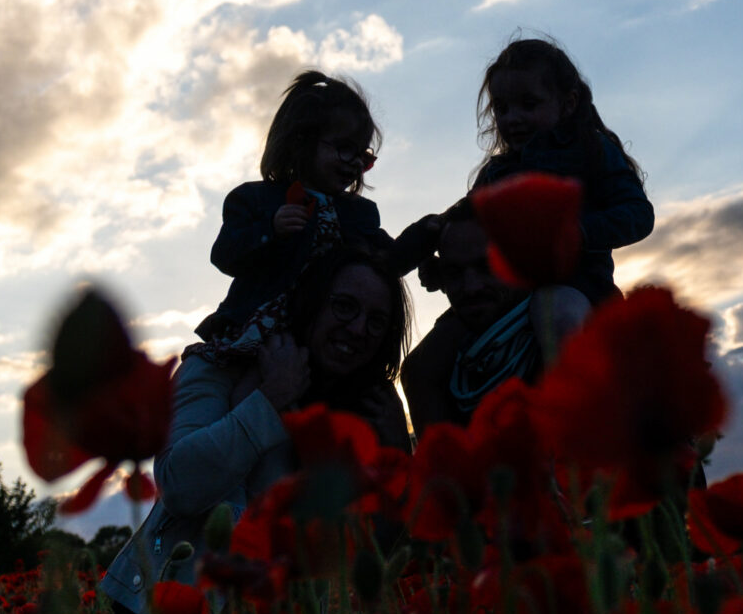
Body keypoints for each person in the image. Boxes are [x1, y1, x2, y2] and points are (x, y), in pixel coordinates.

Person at [100, 247, 409, 614]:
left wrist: (399, 456)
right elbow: (180, 486)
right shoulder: (218, 366)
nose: (359, 329)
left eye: (377, 321)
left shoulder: (365, 416)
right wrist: (270, 399)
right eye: (344, 306)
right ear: (310, 303)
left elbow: (370, 555)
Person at [398, 37, 653, 304]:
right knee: (441, 343)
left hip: (579, 290)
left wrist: (578, 233)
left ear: (568, 103)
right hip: (503, 300)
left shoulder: (592, 152)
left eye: (528, 105)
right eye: (502, 108)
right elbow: (471, 232)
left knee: (561, 311)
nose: (511, 118)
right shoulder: (496, 173)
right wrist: (447, 264)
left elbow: (638, 213)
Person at [198, 71, 393, 349]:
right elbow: (224, 255)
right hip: (249, 331)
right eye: (345, 148)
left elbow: (388, 260)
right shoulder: (255, 198)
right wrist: (271, 230)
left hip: (320, 340)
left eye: (363, 155)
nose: (355, 163)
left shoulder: (359, 213)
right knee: (196, 387)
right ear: (301, 142)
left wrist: (429, 236)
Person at [400, 200, 589, 434]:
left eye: (487, 267)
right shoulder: (426, 368)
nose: (471, 287)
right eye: (454, 273)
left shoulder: (572, 328)